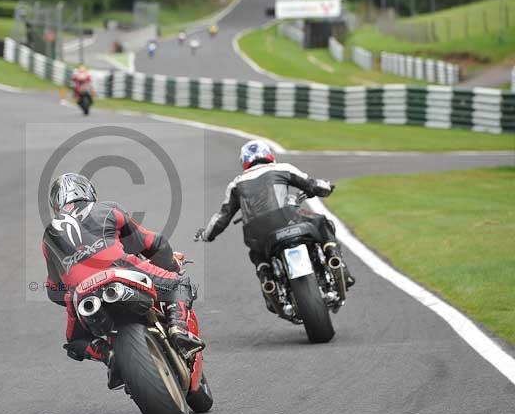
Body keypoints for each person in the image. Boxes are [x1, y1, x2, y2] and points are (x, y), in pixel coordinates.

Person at [42, 173, 204, 364]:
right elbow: (153, 243)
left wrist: (73, 289)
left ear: (56, 204)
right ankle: (178, 329)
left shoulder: (48, 236)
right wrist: (172, 265)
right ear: (88, 192)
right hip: (120, 269)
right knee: (179, 285)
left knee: (76, 342)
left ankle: (108, 355)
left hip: (81, 292)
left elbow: (53, 290)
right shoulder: (108, 209)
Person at [195, 140, 355, 295]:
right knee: (322, 221)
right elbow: (314, 185)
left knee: (256, 252)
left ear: (244, 162)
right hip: (287, 219)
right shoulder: (283, 168)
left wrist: (206, 235)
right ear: (269, 155)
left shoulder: (236, 184)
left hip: (257, 231)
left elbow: (222, 218)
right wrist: (326, 187)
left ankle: (267, 280)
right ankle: (334, 259)